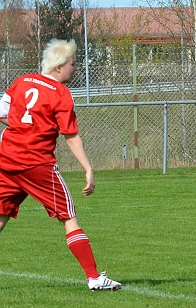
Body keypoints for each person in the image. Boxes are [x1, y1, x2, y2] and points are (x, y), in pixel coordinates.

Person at [0, 39, 120, 291]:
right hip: (37, 165)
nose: (76, 69)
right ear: (58, 67)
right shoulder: (60, 93)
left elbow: (3, 112)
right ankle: (94, 277)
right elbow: (71, 136)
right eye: (73, 64)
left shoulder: (23, 81)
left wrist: (21, 128)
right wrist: (88, 168)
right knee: (69, 218)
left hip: (7, 160)